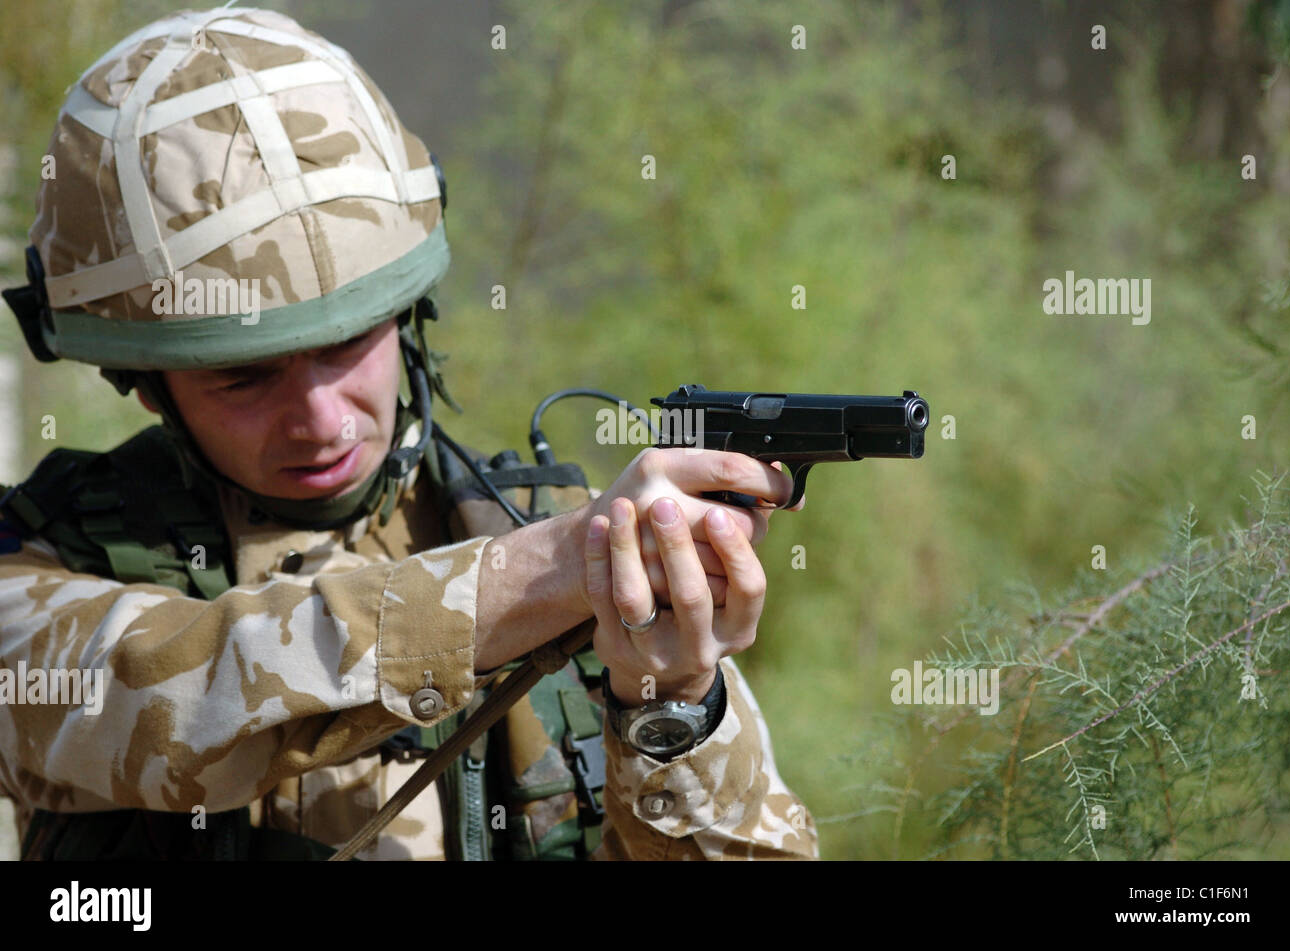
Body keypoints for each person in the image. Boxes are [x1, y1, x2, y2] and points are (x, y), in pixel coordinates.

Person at [0, 6, 817, 861]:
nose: (322, 419)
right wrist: (546, 575)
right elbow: (172, 691)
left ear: (407, 316)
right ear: (145, 385)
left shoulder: (553, 538)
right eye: (242, 376)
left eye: (349, 343)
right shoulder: (47, 565)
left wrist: (673, 704)